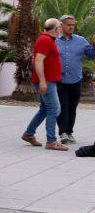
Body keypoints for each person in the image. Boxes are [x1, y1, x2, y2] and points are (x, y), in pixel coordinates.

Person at [22, 18, 66, 151]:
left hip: (48, 81)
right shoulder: (46, 40)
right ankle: (51, 141)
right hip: (46, 81)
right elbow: (38, 61)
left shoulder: (47, 39)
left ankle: (29, 134)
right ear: (55, 29)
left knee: (45, 109)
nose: (62, 28)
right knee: (54, 109)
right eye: (60, 26)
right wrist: (42, 81)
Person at [55, 15, 95, 144]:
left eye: (73, 25)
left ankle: (69, 132)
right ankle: (63, 133)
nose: (71, 27)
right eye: (68, 25)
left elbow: (92, 55)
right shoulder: (54, 40)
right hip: (59, 80)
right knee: (62, 107)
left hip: (75, 80)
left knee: (72, 107)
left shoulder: (81, 40)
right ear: (61, 26)